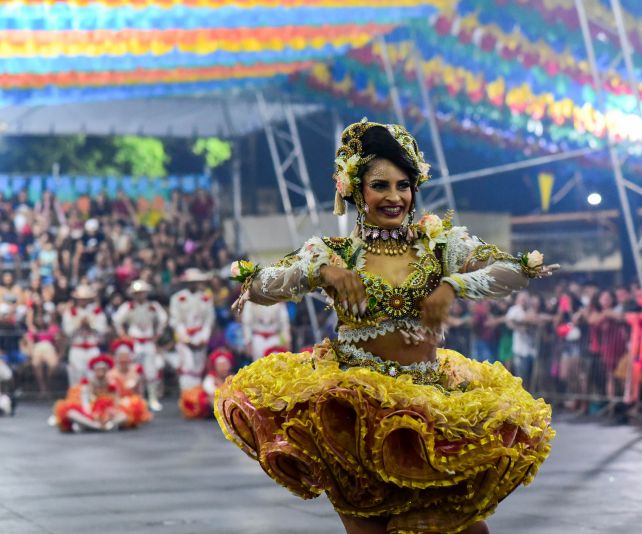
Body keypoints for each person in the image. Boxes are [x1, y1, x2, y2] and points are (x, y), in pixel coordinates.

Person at [215, 120, 558, 534]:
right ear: (355, 189)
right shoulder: (333, 252)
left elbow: (516, 271)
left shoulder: (440, 245)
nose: (394, 197)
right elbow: (258, 286)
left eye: (403, 185)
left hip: (433, 408)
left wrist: (453, 285)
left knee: (464, 528)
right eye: (380, 185)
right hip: (353, 415)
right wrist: (323, 273)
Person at [113, 279, 168, 411]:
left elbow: (163, 319)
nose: (140, 295)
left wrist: (158, 333)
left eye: (142, 292)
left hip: (148, 341)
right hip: (134, 342)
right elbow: (117, 320)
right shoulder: (128, 306)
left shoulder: (153, 306)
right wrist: (122, 335)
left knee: (151, 371)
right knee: (135, 371)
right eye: (137, 293)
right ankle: (138, 398)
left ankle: (153, 398)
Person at [52, 354, 144, 432]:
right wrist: (91, 414)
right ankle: (95, 426)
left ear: (106, 370)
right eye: (98, 369)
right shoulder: (88, 383)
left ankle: (108, 425)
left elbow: (117, 400)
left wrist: (112, 412)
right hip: (92, 410)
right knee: (70, 413)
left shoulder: (112, 382)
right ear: (94, 370)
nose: (100, 372)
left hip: (108, 410)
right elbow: (85, 402)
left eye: (103, 369)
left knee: (124, 416)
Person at [169, 268, 215, 391]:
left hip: (200, 336)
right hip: (185, 336)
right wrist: (186, 339)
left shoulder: (206, 298)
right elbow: (176, 321)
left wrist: (203, 338)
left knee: (199, 366)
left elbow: (208, 321)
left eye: (196, 281)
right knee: (186, 366)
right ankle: (187, 395)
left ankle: (199, 395)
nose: (193, 284)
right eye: (191, 281)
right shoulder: (177, 298)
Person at [62, 284, 108, 386]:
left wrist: (90, 325)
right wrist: (79, 324)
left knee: (93, 377)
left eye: (85, 299)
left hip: (92, 348)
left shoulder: (97, 312)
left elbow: (102, 330)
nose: (83, 301)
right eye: (80, 299)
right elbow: (67, 332)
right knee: (76, 378)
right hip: (77, 348)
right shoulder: (70, 312)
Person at [107, 339, 152, 426]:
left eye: (125, 357)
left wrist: (140, 379)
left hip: (133, 400)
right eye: (121, 357)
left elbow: (139, 392)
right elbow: (112, 395)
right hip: (118, 402)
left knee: (136, 405)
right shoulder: (111, 374)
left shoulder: (135, 371)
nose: (123, 360)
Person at [179, 348, 234, 419]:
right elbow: (210, 390)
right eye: (221, 366)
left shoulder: (233, 377)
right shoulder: (211, 378)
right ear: (216, 367)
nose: (223, 368)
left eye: (225, 365)